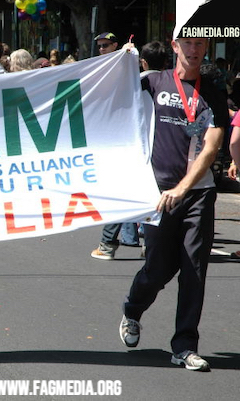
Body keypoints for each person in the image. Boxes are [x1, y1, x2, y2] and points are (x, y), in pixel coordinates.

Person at [119, 35, 227, 372]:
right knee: (158, 269)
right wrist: (122, 61)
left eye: (200, 44)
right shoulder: (153, 81)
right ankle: (133, 309)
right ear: (175, 46)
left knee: (193, 269)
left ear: (206, 48)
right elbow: (110, 94)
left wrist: (184, 188)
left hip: (197, 192)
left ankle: (184, 346)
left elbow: (212, 145)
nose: (194, 50)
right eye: (188, 43)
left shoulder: (213, 91)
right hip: (158, 192)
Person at [90, 34, 146, 260]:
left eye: (105, 46)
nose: (102, 50)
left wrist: (128, 56)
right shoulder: (101, 69)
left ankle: (108, 244)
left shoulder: (129, 68)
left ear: (115, 46)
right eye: (99, 47)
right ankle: (139, 243)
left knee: (123, 192)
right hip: (115, 139)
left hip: (129, 140)